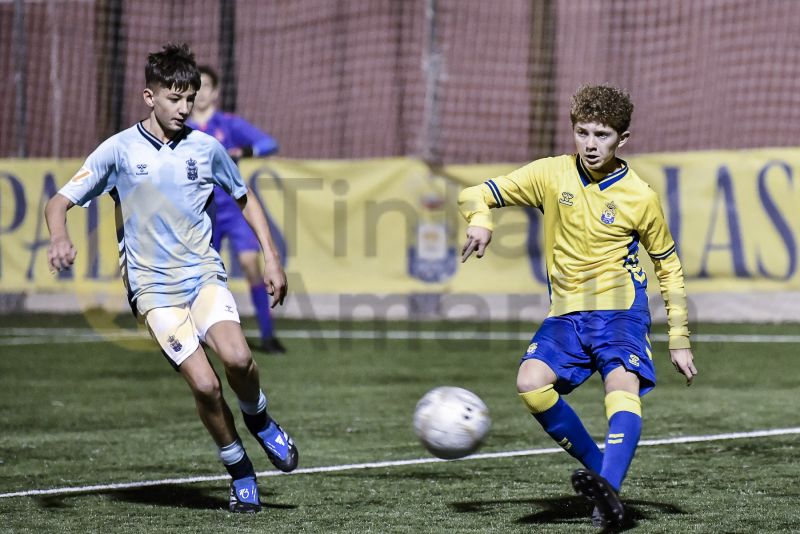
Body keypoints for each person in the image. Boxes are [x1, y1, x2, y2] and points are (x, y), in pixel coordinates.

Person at [44, 43, 298, 513]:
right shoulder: (117, 150)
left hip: (202, 275)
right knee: (204, 385)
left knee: (239, 359)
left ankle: (259, 419)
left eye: (190, 98)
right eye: (174, 98)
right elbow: (58, 202)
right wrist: (59, 238)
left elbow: (244, 198)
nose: (185, 108)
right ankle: (239, 469)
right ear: (149, 96)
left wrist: (271, 257)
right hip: (152, 288)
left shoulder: (207, 148)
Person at [458, 84, 697, 528]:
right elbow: (476, 192)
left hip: (619, 310)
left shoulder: (640, 196)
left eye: (602, 135)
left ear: (622, 139)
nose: (590, 144)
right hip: (566, 312)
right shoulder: (551, 174)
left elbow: (669, 266)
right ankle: (604, 476)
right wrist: (481, 220)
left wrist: (679, 339)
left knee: (620, 387)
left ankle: (606, 491)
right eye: (582, 132)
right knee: (531, 384)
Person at [188, 65, 286, 354]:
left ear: (216, 92)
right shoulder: (182, 126)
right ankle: (198, 334)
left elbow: (269, 143)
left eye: (207, 86)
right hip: (201, 211)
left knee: (249, 263)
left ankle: (268, 335)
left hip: (233, 208)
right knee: (201, 275)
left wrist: (245, 151)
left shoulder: (228, 124)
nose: (202, 92)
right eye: (198, 86)